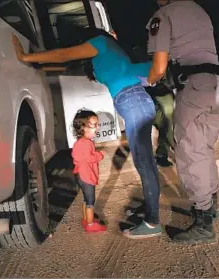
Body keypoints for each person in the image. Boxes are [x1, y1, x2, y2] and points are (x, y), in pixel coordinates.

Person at [12, 27, 162, 239]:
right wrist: (34, 63)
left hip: (133, 100)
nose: (78, 48)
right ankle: (150, 211)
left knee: (145, 163)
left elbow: (64, 54)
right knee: (143, 162)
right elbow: (62, 62)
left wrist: (25, 56)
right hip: (131, 102)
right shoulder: (104, 55)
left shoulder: (100, 42)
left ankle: (153, 221)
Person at [143, 0, 219, 244]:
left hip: (195, 87)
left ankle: (204, 224)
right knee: (204, 150)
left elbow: (159, 67)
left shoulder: (164, 14)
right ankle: (211, 207)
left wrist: (146, 81)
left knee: (189, 154)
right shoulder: (199, 9)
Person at [131, 45, 175, 167]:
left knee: (168, 122)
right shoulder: (138, 52)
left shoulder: (157, 47)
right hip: (147, 93)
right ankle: (172, 150)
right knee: (163, 123)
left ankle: (163, 154)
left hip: (163, 91)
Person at [71, 109, 106, 233]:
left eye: (97, 124)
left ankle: (86, 219)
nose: (97, 127)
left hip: (80, 175)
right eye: (94, 125)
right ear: (83, 127)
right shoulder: (85, 143)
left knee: (86, 199)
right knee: (90, 202)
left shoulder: (81, 142)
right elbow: (87, 158)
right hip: (86, 177)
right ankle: (90, 225)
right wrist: (99, 155)